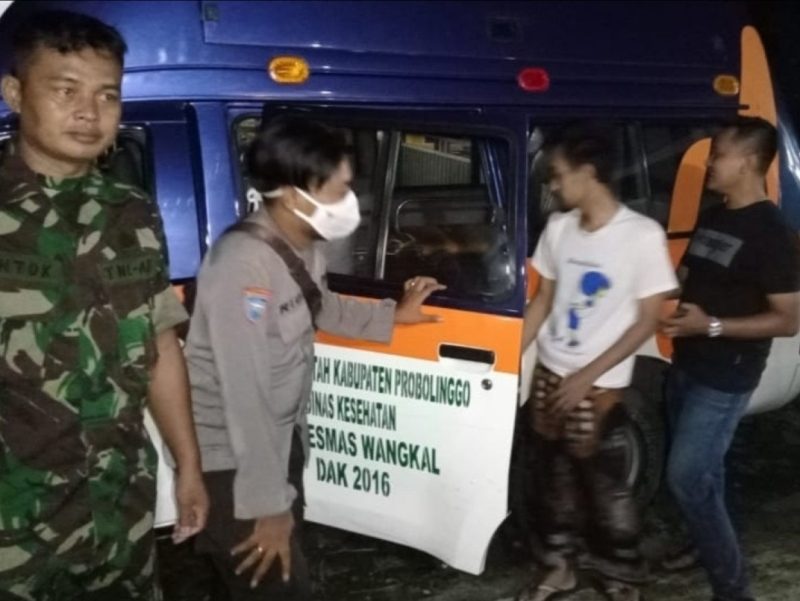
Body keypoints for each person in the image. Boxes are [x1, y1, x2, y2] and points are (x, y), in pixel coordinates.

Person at [185, 117, 445, 600]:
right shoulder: (242, 265)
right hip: (235, 464)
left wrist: (394, 317)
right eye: (339, 188)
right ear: (293, 191)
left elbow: (319, 304)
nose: (349, 200)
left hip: (280, 443)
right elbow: (244, 391)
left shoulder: (300, 247)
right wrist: (268, 505)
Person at [0, 10, 209, 600]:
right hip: (13, 532)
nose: (89, 112)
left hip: (120, 514)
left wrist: (187, 464)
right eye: (65, 90)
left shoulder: (133, 212)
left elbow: (161, 345)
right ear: (15, 93)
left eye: (107, 94)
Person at [518, 124, 677, 601]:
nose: (552, 185)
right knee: (551, 480)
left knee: (607, 491)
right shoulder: (560, 228)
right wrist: (508, 358)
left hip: (599, 385)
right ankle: (560, 569)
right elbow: (543, 300)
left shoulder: (641, 236)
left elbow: (648, 319)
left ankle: (622, 579)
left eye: (558, 175)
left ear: (589, 174)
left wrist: (587, 375)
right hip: (550, 375)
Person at [661, 117, 800, 601]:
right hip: (685, 365)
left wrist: (711, 326)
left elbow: (787, 320)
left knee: (687, 476)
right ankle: (705, 544)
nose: (710, 163)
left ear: (747, 162)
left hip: (725, 377)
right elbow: (687, 278)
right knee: (707, 474)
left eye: (718, 154)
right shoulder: (716, 214)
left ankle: (733, 588)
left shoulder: (772, 233)